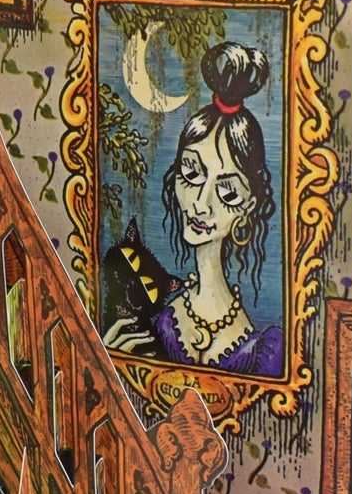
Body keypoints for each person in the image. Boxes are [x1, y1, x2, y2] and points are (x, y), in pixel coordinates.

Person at [103, 41, 283, 377]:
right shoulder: (159, 320)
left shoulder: (268, 352)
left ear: (248, 207)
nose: (201, 203)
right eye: (191, 174)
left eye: (227, 192)